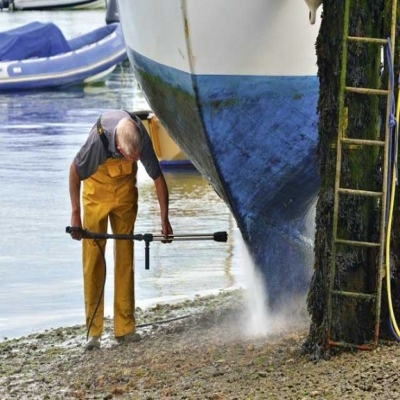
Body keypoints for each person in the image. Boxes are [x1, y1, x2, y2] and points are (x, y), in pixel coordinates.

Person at [68, 110, 173, 351]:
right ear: (118, 146)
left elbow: (157, 178)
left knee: (125, 256)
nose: (136, 160)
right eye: (130, 157)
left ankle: (125, 328)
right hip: (96, 191)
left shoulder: (139, 138)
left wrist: (164, 218)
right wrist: (75, 214)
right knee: (93, 258)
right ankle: (93, 332)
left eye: (137, 158)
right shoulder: (98, 140)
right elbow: (74, 172)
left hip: (125, 192)